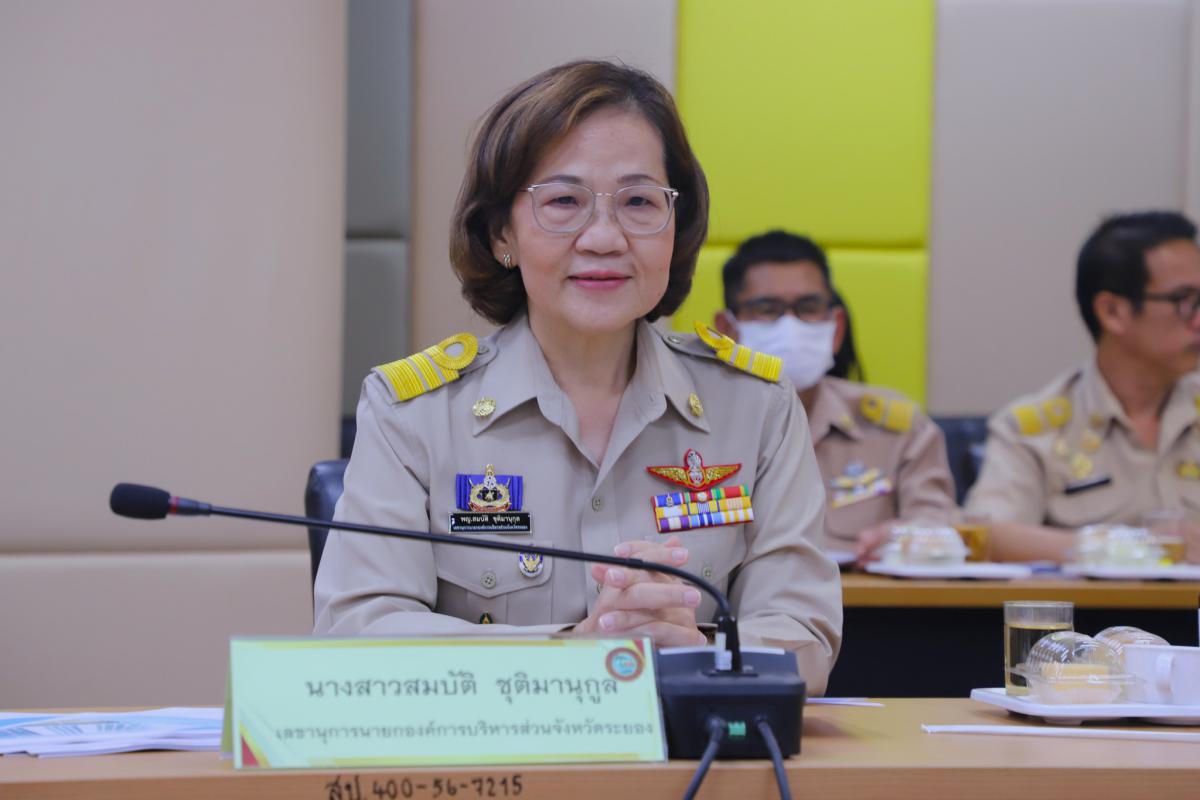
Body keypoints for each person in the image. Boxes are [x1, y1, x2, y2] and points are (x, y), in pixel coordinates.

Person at [313, 61, 842, 693]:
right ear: (502, 233)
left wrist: (695, 651)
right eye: (564, 201)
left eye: (639, 202)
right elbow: (357, 634)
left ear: (675, 228)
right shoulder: (414, 412)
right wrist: (576, 654)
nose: (604, 237)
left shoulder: (755, 405)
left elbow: (803, 638)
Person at [965, 211, 1200, 563]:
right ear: (1112, 312)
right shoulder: (1033, 429)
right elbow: (987, 536)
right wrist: (1136, 549)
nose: (1198, 319)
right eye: (1185, 301)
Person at [714, 231, 957, 563]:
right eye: (767, 309)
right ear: (727, 329)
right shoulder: (694, 425)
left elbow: (940, 526)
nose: (790, 326)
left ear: (836, 327)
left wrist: (903, 537)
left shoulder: (897, 428)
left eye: (808, 307)